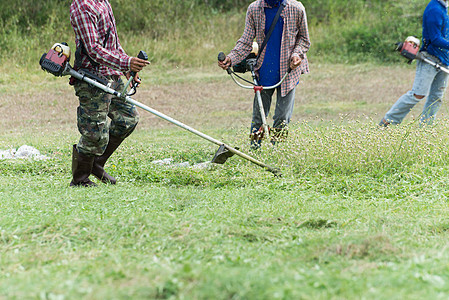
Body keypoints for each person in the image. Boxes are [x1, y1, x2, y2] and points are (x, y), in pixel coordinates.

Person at [69, 0, 150, 187]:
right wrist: (126, 62)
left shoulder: (103, 2)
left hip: (111, 75)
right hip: (92, 78)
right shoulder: (82, 5)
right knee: (94, 133)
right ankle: (80, 179)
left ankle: (96, 165)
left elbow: (113, 43)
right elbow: (93, 49)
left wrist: (126, 68)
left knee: (127, 118)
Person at [218, 0, 310, 148]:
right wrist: (231, 58)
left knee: (282, 117)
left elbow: (304, 40)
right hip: (264, 69)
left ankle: (277, 150)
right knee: (258, 117)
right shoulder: (254, 9)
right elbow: (246, 41)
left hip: (289, 71)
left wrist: (297, 54)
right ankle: (255, 147)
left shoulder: (296, 8)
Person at [379, 0, 449, 127]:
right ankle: (387, 122)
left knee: (436, 97)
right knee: (418, 94)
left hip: (444, 60)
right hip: (430, 58)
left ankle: (426, 129)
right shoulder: (435, 9)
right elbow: (435, 39)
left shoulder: (443, 7)